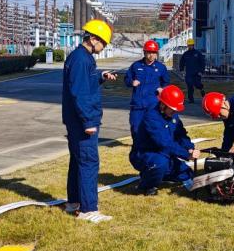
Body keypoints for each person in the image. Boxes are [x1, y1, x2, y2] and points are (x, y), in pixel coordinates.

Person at [62, 19, 117, 223]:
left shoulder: (81, 57)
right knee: (88, 162)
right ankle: (88, 209)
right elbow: (80, 93)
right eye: (103, 43)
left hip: (77, 119)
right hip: (82, 122)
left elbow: (85, 83)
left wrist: (101, 77)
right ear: (93, 39)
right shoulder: (81, 59)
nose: (103, 48)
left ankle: (74, 203)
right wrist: (88, 122)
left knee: (77, 161)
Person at [129, 85, 201, 196]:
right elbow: (165, 143)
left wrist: (190, 148)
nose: (175, 112)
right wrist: (186, 155)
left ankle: (158, 175)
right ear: (163, 105)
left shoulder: (173, 115)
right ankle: (146, 185)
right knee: (160, 164)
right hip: (145, 154)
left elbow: (181, 134)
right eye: (173, 109)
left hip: (165, 154)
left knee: (187, 173)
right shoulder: (151, 117)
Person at [124, 39, 170, 138]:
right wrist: (132, 82)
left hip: (154, 105)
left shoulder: (161, 67)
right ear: (144, 52)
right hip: (138, 104)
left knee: (154, 128)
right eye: (149, 52)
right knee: (136, 128)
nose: (151, 55)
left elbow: (166, 82)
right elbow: (126, 79)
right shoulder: (136, 66)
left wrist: (162, 89)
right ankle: (137, 146)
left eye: (154, 53)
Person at [178, 38, 206, 103]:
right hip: (189, 73)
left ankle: (201, 89)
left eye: (191, 45)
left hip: (197, 73)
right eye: (189, 45)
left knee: (197, 84)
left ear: (193, 45)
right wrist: (181, 70)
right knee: (189, 85)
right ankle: (191, 99)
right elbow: (182, 62)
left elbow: (202, 62)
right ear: (187, 46)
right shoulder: (185, 54)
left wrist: (201, 71)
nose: (190, 46)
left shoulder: (197, 53)